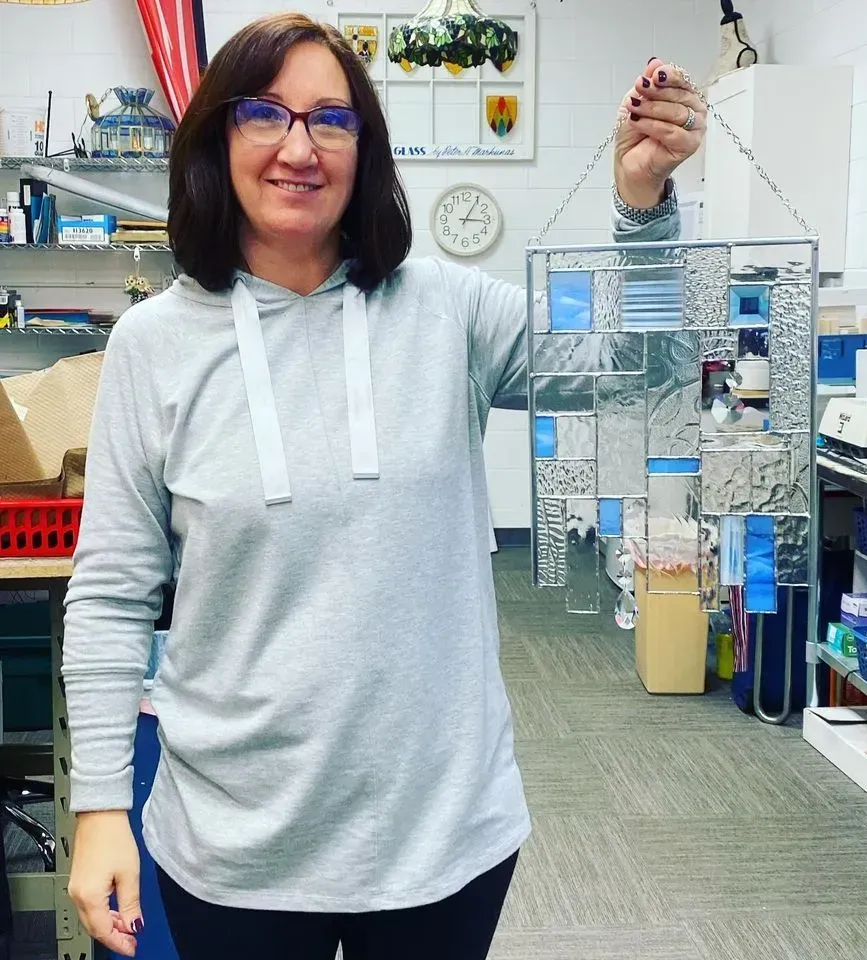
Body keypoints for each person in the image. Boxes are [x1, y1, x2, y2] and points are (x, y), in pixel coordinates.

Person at [61, 12, 705, 959]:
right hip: (235, 846)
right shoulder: (152, 347)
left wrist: (643, 206)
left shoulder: (448, 310)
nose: (299, 147)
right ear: (216, 141)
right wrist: (100, 806)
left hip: (441, 838)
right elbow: (113, 594)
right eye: (264, 115)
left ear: (366, 149)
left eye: (332, 119)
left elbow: (650, 369)